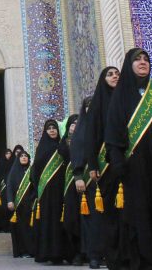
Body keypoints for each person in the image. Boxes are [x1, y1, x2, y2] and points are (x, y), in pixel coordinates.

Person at [105, 49, 152, 269]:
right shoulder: (121, 97)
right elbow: (114, 133)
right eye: (137, 60)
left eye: (146, 60)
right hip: (134, 168)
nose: (142, 63)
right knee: (140, 216)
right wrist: (118, 161)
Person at [85, 66, 122, 269]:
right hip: (106, 165)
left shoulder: (127, 98)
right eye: (110, 74)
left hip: (126, 163)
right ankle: (107, 252)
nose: (115, 76)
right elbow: (92, 135)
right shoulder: (98, 104)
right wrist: (92, 164)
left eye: (117, 73)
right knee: (107, 212)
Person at [32, 119, 71, 264]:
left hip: (61, 190)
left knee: (61, 220)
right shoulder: (41, 148)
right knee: (48, 221)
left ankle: (62, 253)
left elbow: (68, 163)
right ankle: (48, 253)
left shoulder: (62, 146)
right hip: (47, 193)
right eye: (49, 128)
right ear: (45, 131)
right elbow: (36, 170)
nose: (52, 130)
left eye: (54, 128)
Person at [70, 97, 93, 267]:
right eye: (88, 106)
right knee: (89, 218)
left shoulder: (106, 122)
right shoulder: (80, 130)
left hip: (106, 177)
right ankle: (92, 253)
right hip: (87, 180)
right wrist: (78, 176)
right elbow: (76, 153)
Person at [60, 114, 83, 266]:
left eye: (77, 123)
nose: (74, 126)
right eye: (72, 123)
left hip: (85, 184)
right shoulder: (63, 144)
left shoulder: (85, 140)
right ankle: (74, 252)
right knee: (71, 219)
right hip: (69, 186)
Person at [5, 151, 32, 258]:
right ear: (18, 159)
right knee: (21, 229)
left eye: (26, 156)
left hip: (30, 205)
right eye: (22, 156)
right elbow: (9, 187)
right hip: (18, 206)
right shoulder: (13, 172)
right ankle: (22, 251)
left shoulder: (32, 170)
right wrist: (10, 200)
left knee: (30, 229)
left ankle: (32, 250)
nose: (24, 158)